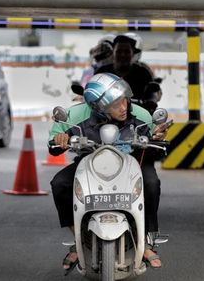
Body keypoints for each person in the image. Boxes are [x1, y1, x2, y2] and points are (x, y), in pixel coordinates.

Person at [49, 73, 169, 271]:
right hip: (91, 164)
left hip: (132, 162)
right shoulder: (76, 115)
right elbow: (54, 144)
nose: (123, 107)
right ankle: (79, 239)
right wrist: (61, 139)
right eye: (115, 105)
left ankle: (146, 240)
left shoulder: (141, 114)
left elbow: (157, 141)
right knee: (60, 183)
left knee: (151, 183)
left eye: (124, 100)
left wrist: (157, 135)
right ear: (99, 107)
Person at [95, 34, 155, 103]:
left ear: (133, 53)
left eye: (127, 52)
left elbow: (153, 94)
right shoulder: (102, 72)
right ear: (113, 52)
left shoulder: (143, 73)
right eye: (119, 51)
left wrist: (151, 101)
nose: (122, 55)